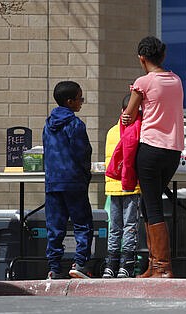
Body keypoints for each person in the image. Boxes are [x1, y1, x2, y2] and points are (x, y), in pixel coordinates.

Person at [121, 35, 184, 278]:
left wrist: (131, 110)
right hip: (173, 151)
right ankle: (154, 265)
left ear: (142, 58)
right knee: (151, 204)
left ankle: (163, 266)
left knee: (152, 205)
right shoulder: (176, 80)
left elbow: (129, 114)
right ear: (163, 56)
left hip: (150, 149)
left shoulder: (143, 82)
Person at [42, 81, 94, 279]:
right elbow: (83, 153)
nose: (81, 102)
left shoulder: (48, 125)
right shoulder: (75, 124)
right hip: (73, 181)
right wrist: (85, 175)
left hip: (53, 182)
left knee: (55, 226)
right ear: (70, 101)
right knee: (82, 223)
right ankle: (80, 263)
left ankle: (54, 268)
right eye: (80, 98)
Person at [102, 94, 142, 278]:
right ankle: (126, 265)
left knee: (114, 226)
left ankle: (110, 265)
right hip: (131, 186)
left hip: (112, 186)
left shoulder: (111, 131)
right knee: (130, 226)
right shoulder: (140, 130)